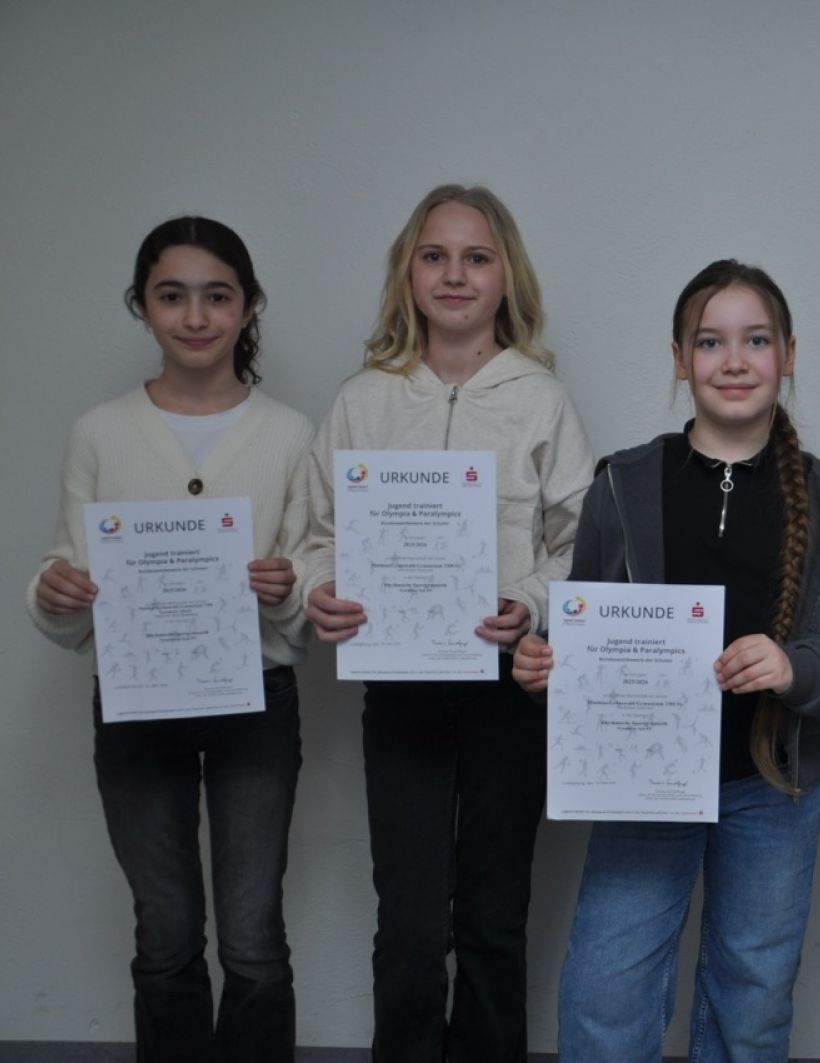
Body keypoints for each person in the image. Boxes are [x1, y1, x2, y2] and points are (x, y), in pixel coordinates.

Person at [513, 259, 820, 1062]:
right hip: (641, 784)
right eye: (711, 342)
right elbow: (585, 633)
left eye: (756, 340)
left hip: (773, 786)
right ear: (680, 359)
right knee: (605, 992)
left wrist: (794, 666)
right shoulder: (623, 484)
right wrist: (551, 672)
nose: (734, 360)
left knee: (752, 1001)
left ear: (788, 353)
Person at [300, 184, 593, 1063]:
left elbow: (582, 545)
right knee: (412, 921)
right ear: (408, 274)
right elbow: (314, 535)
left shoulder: (541, 401)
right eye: (434, 256)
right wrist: (319, 587)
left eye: (476, 257)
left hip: (509, 690)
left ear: (507, 276)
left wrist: (530, 602)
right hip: (400, 689)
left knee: (495, 916)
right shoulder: (363, 401)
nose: (454, 274)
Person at [28, 216, 313, 1062]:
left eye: (217, 296)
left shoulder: (291, 434)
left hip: (256, 702)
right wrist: (54, 591)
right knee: (164, 930)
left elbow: (309, 574)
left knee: (253, 934)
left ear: (248, 307)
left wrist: (289, 587)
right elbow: (67, 573)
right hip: (136, 702)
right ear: (142, 306)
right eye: (172, 296)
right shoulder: (99, 432)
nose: (195, 316)